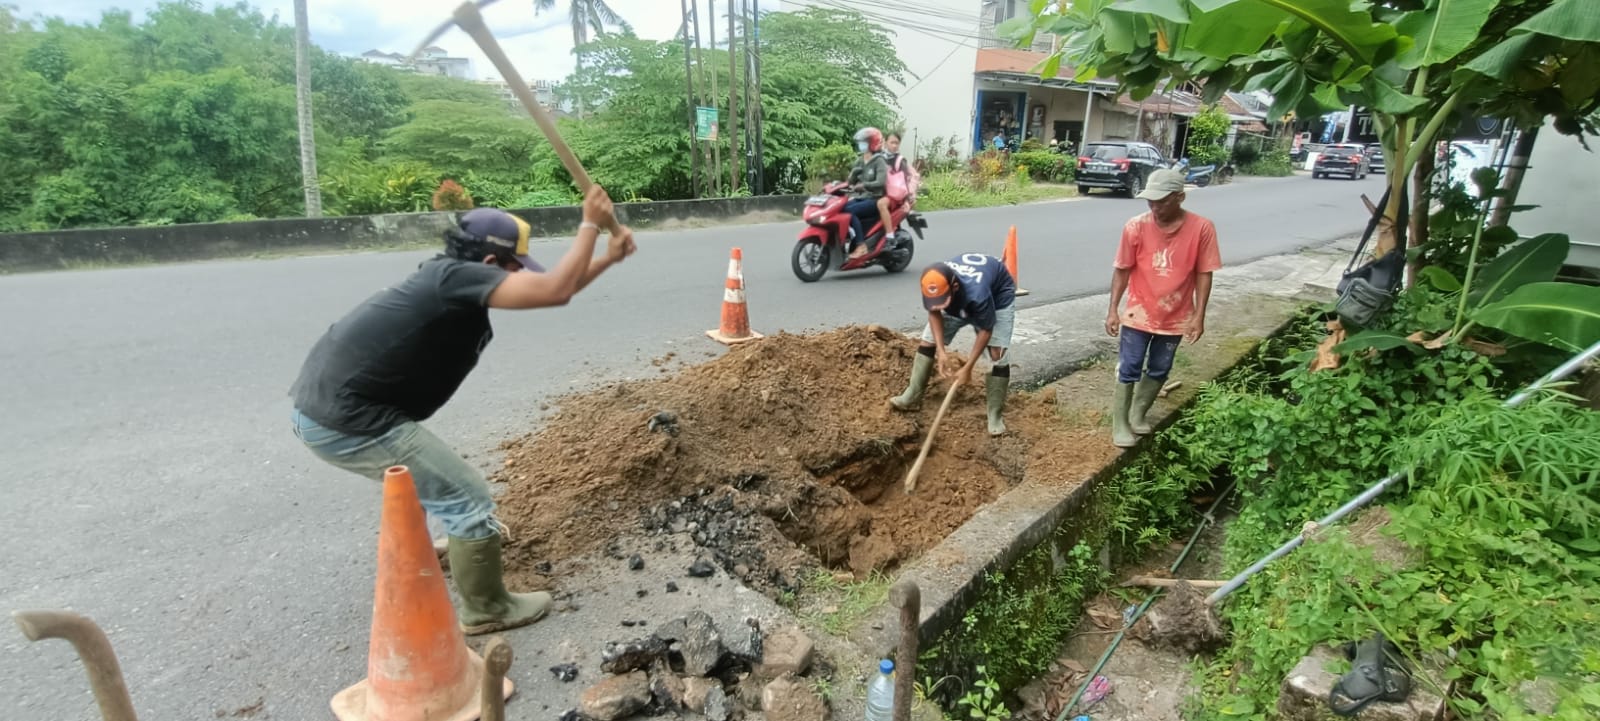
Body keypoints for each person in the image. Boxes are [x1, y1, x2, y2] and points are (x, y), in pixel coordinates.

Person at [287, 186, 635, 635]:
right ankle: (487, 608)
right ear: (490, 265)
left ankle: (455, 546)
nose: (518, 277)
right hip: (348, 421)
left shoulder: (449, 278)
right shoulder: (453, 280)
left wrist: (606, 258)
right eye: (514, 269)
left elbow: (551, 289)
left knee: (440, 483)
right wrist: (589, 223)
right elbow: (554, 290)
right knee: (468, 497)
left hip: (330, 409)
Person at [1105, 168, 1221, 448]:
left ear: (1180, 197)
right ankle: (1119, 422)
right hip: (1138, 312)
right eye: (1150, 201)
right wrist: (1113, 309)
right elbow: (1122, 269)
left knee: (1160, 366)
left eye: (1162, 201)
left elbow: (1204, 273)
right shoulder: (1136, 226)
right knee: (1130, 365)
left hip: (1176, 313)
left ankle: (1138, 412)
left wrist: (1199, 315)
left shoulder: (1202, 228)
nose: (1154, 207)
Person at [890, 253, 1016, 436]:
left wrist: (968, 367)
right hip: (959, 297)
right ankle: (912, 395)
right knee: (928, 340)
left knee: (997, 354)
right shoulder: (933, 281)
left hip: (997, 297)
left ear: (955, 287)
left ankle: (994, 416)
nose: (939, 305)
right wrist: (941, 352)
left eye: (943, 301)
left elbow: (985, 330)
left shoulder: (977, 294)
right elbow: (934, 313)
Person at [844, 127, 889, 258]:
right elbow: (850, 182)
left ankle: (861, 246)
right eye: (860, 142)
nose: (861, 145)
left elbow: (880, 182)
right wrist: (852, 175)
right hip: (860, 198)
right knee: (840, 209)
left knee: (849, 212)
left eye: (863, 142)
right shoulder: (859, 160)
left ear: (872, 143)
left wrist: (864, 186)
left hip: (874, 199)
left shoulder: (879, 161)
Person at [877, 132, 922, 238]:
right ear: (885, 142)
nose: (894, 145)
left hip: (894, 195)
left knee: (881, 204)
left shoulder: (899, 160)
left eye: (896, 143)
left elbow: (905, 181)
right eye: (892, 142)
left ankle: (889, 235)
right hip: (878, 192)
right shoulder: (878, 158)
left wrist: (907, 199)